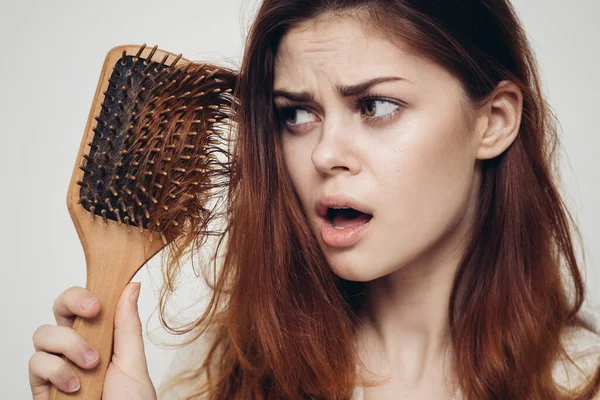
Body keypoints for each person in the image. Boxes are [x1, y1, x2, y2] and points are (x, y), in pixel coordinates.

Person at [29, 0, 600, 399]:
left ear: (494, 122)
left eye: (375, 106)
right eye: (297, 114)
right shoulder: (221, 378)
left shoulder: (581, 381)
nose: (325, 154)